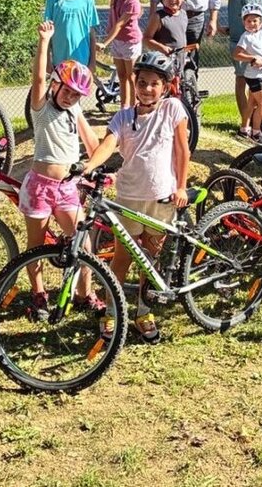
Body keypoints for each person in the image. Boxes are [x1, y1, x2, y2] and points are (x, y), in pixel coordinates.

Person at [78, 51, 190, 343]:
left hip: (162, 198)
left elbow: (182, 150)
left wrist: (181, 186)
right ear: (134, 83)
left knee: (150, 259)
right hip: (129, 198)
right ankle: (113, 311)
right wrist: (88, 166)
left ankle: (143, 311)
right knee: (122, 258)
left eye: (154, 83)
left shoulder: (172, 109)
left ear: (165, 87)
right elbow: (107, 145)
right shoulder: (123, 117)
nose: (147, 88)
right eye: (142, 82)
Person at [23, 21, 103, 317]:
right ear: (56, 84)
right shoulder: (41, 107)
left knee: (83, 243)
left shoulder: (75, 109)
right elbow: (38, 79)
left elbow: (91, 140)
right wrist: (44, 41)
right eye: (67, 90)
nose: (70, 97)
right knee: (35, 245)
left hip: (68, 187)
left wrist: (98, 164)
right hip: (39, 186)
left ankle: (86, 294)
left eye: (77, 94)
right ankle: (39, 294)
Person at [92, 0, 143, 109]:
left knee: (131, 76)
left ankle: (134, 108)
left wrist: (104, 42)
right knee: (121, 76)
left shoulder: (133, 3)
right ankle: (124, 107)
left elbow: (120, 24)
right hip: (117, 41)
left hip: (130, 42)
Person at [45, 0, 100, 72]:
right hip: (60, 63)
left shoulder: (88, 1)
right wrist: (47, 61)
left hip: (82, 62)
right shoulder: (53, 1)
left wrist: (92, 62)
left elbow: (91, 33)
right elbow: (47, 35)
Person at [232, 3, 262, 142]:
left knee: (252, 104)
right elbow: (236, 54)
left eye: (255, 20)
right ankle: (256, 132)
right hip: (254, 75)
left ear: (260, 21)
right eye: (248, 21)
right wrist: (252, 58)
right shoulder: (246, 37)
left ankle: (244, 130)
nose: (252, 24)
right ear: (244, 22)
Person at [143, 0, 190, 78]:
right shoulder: (158, 17)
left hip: (179, 60)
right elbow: (146, 39)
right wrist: (161, 47)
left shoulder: (183, 14)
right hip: (162, 63)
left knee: (179, 89)